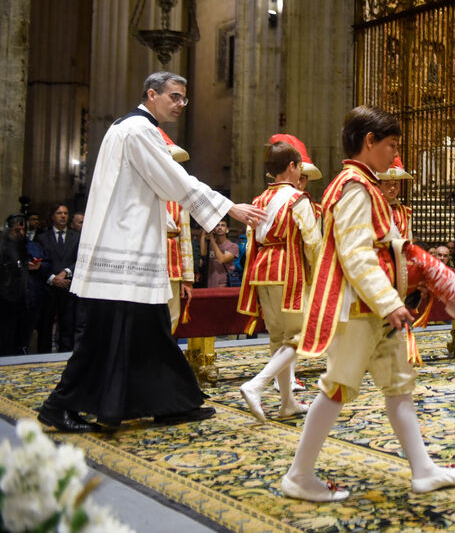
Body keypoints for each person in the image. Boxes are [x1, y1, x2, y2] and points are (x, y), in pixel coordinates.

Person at [36, 71, 265, 433]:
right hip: (126, 252)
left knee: (152, 334)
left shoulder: (124, 127)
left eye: (184, 99)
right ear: (151, 94)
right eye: (174, 96)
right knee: (104, 336)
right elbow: (175, 179)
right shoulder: (139, 131)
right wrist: (227, 208)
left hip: (131, 250)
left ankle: (172, 403)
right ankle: (59, 405)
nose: (180, 104)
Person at [282, 105, 455, 502]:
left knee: (399, 386)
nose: (394, 153)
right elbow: (356, 254)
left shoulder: (362, 183)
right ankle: (298, 475)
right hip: (358, 308)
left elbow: (380, 246)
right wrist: (388, 302)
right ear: (369, 142)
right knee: (336, 388)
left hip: (375, 309)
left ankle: (423, 471)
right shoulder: (354, 186)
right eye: (391, 145)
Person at [237, 134, 323, 423]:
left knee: (278, 338)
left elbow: (251, 240)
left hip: (262, 270)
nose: (301, 172)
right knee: (299, 337)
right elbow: (312, 242)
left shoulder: (260, 198)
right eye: (299, 167)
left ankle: (287, 402)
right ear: (291, 166)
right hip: (289, 270)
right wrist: (318, 273)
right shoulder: (298, 199)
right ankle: (256, 384)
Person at [159, 129, 195, 335]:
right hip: (147, 263)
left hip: (172, 265)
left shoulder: (179, 197)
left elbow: (186, 239)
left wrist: (188, 277)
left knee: (172, 315)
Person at [35, 204, 79, 352]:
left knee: (67, 324)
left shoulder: (76, 237)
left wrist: (66, 272)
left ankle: (65, 356)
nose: (63, 216)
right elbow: (38, 260)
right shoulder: (41, 238)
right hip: (48, 287)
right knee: (45, 325)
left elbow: (80, 259)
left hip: (68, 285)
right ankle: (43, 357)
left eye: (65, 213)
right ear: (53, 216)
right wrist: (52, 278)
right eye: (59, 213)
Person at [0, 214, 46, 355]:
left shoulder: (25, 245)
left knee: (22, 334)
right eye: (17, 230)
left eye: (23, 230)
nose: (20, 233)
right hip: (5, 299)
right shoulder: (2, 245)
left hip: (23, 298)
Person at [379, 155, 414, 240]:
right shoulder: (374, 208)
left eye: (395, 184)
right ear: (379, 185)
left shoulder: (406, 211)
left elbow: (409, 238)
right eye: (387, 184)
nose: (392, 188)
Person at [202, 219, 238, 288]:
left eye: (223, 225)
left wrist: (212, 240)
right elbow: (203, 253)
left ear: (227, 229)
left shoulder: (233, 246)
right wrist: (203, 234)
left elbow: (222, 259)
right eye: (217, 225)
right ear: (214, 229)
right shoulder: (210, 244)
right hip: (210, 282)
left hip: (224, 283)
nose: (220, 227)